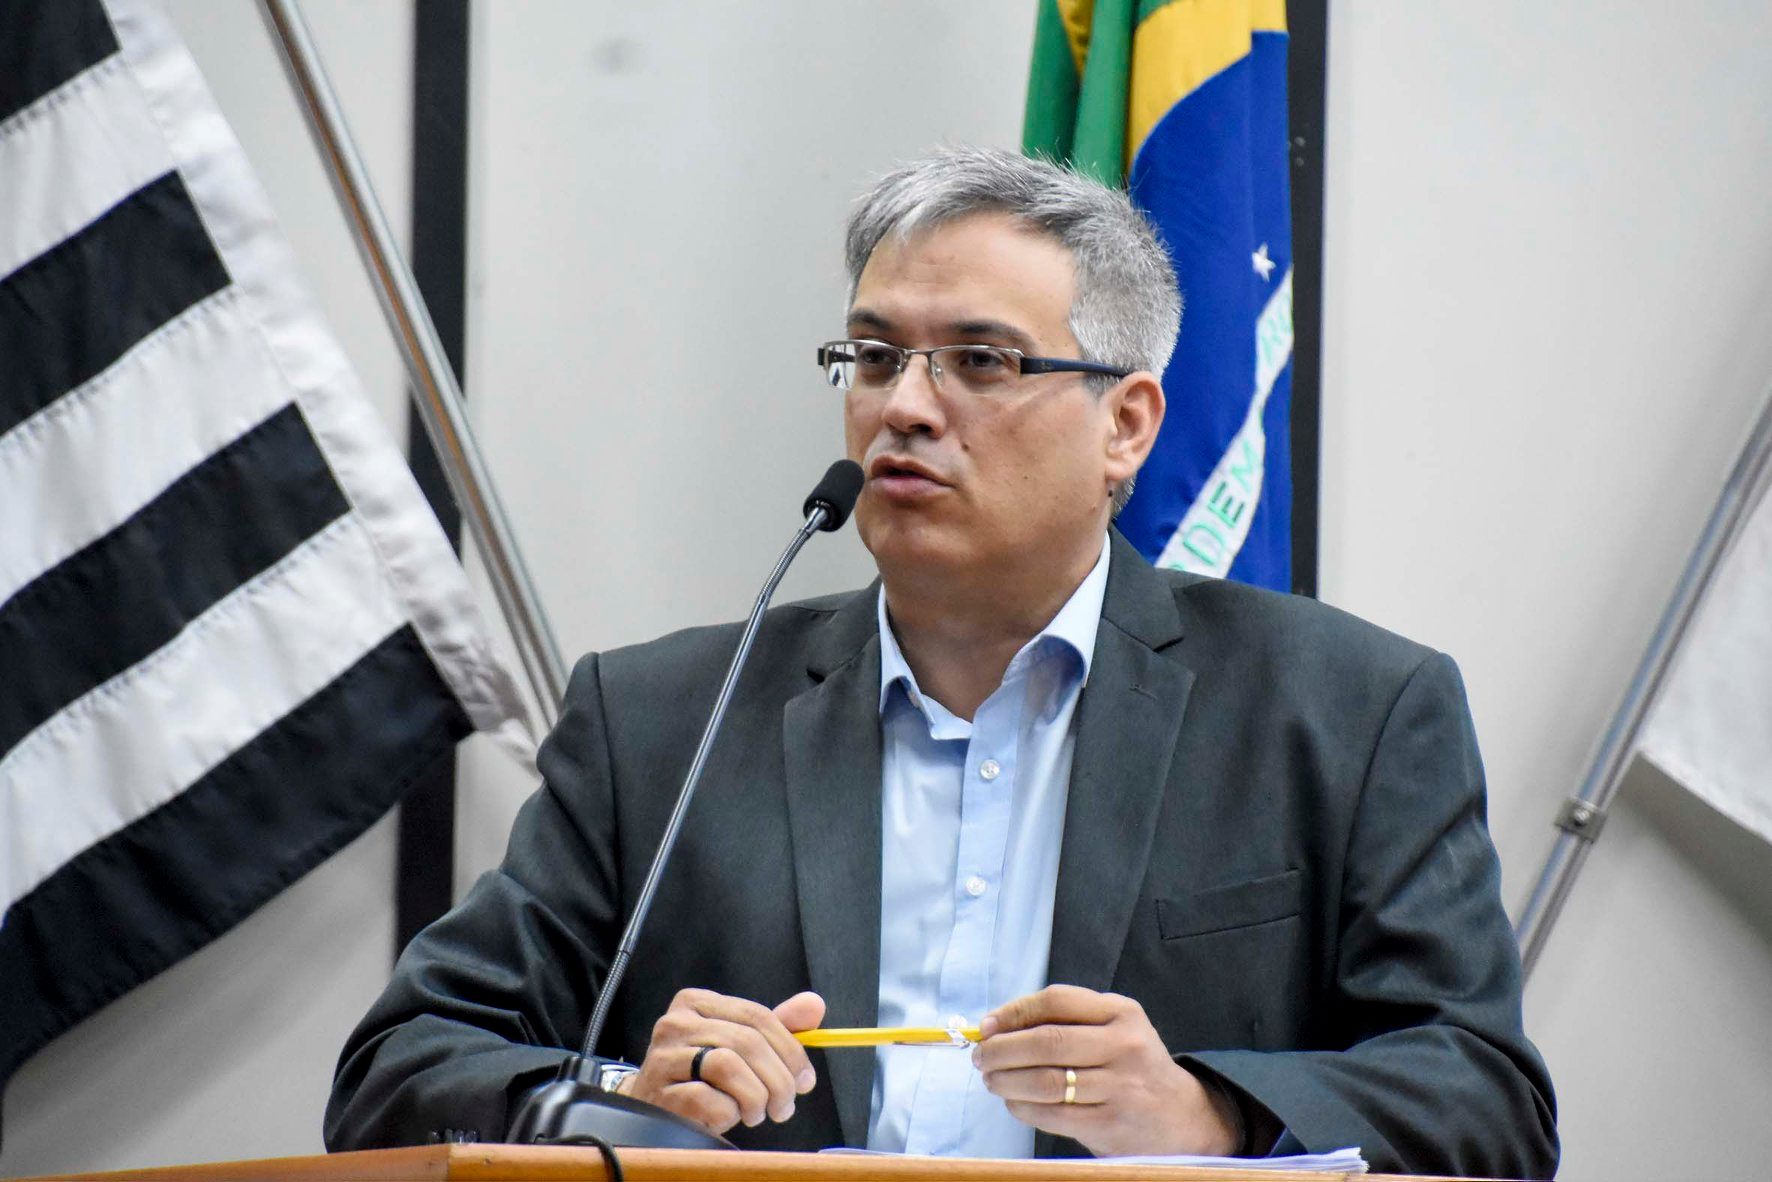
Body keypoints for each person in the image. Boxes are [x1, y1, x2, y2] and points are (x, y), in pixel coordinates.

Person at [325, 147, 1558, 1177]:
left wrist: (1206, 1115)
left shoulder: (1345, 712)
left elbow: (1486, 1103)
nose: (903, 409)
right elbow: (398, 1071)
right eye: (873, 358)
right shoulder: (659, 721)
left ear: (1125, 426)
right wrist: (617, 1102)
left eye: (981, 361)